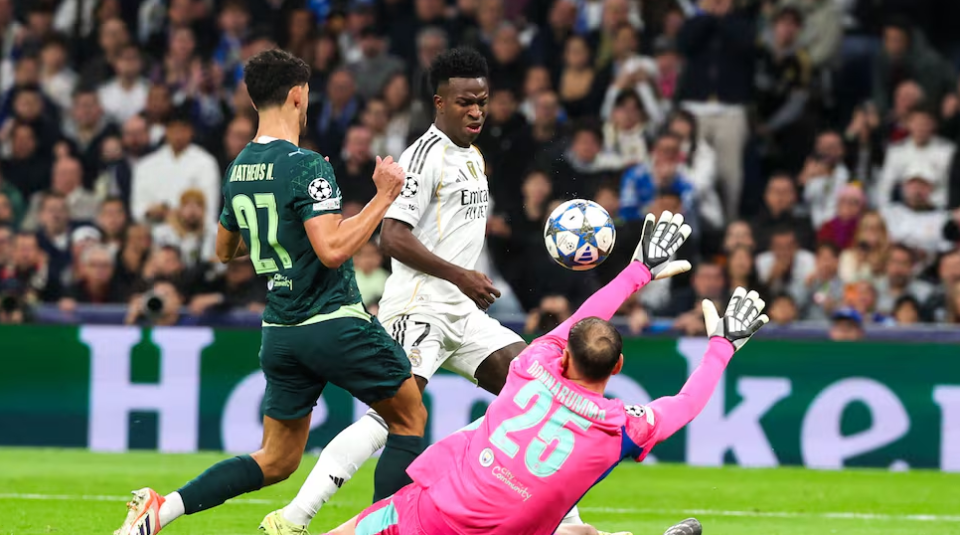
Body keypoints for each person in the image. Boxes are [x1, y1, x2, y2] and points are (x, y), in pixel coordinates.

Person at [268, 47, 614, 535]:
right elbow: (392, 236)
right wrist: (460, 275)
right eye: (465, 102)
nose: (476, 111)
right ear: (439, 102)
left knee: (539, 390)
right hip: (419, 308)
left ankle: (564, 521)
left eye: (482, 102)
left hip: (462, 312)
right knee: (390, 420)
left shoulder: (473, 156)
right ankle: (292, 518)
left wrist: (464, 280)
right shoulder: (422, 157)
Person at [113, 49, 427, 535]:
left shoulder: (239, 166)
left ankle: (162, 508)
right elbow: (332, 250)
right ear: (298, 95)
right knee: (409, 417)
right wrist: (384, 196)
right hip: (333, 322)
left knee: (277, 459)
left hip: (281, 332)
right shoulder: (306, 165)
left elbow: (224, 249)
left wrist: (290, 222)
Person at [319, 211, 767, 535]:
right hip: (501, 528)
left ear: (564, 353)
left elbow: (585, 316)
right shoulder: (618, 427)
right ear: (618, 367)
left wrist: (638, 271)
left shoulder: (532, 364)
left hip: (429, 508)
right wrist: (722, 346)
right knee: (570, 529)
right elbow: (685, 405)